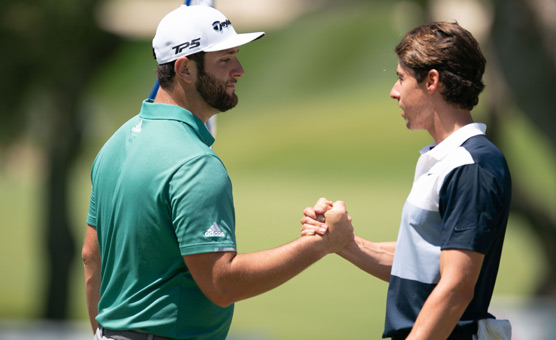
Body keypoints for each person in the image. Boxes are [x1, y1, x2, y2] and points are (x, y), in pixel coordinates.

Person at [81, 5, 353, 340]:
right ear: (185, 69)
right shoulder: (196, 164)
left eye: (235, 56)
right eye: (224, 60)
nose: (239, 70)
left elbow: (91, 258)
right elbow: (221, 283)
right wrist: (320, 245)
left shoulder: (116, 143)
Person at [302, 22, 512, 340]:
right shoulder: (446, 158)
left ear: (431, 81)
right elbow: (421, 266)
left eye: (401, 78)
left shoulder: (471, 166)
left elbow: (456, 289)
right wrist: (342, 243)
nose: (394, 91)